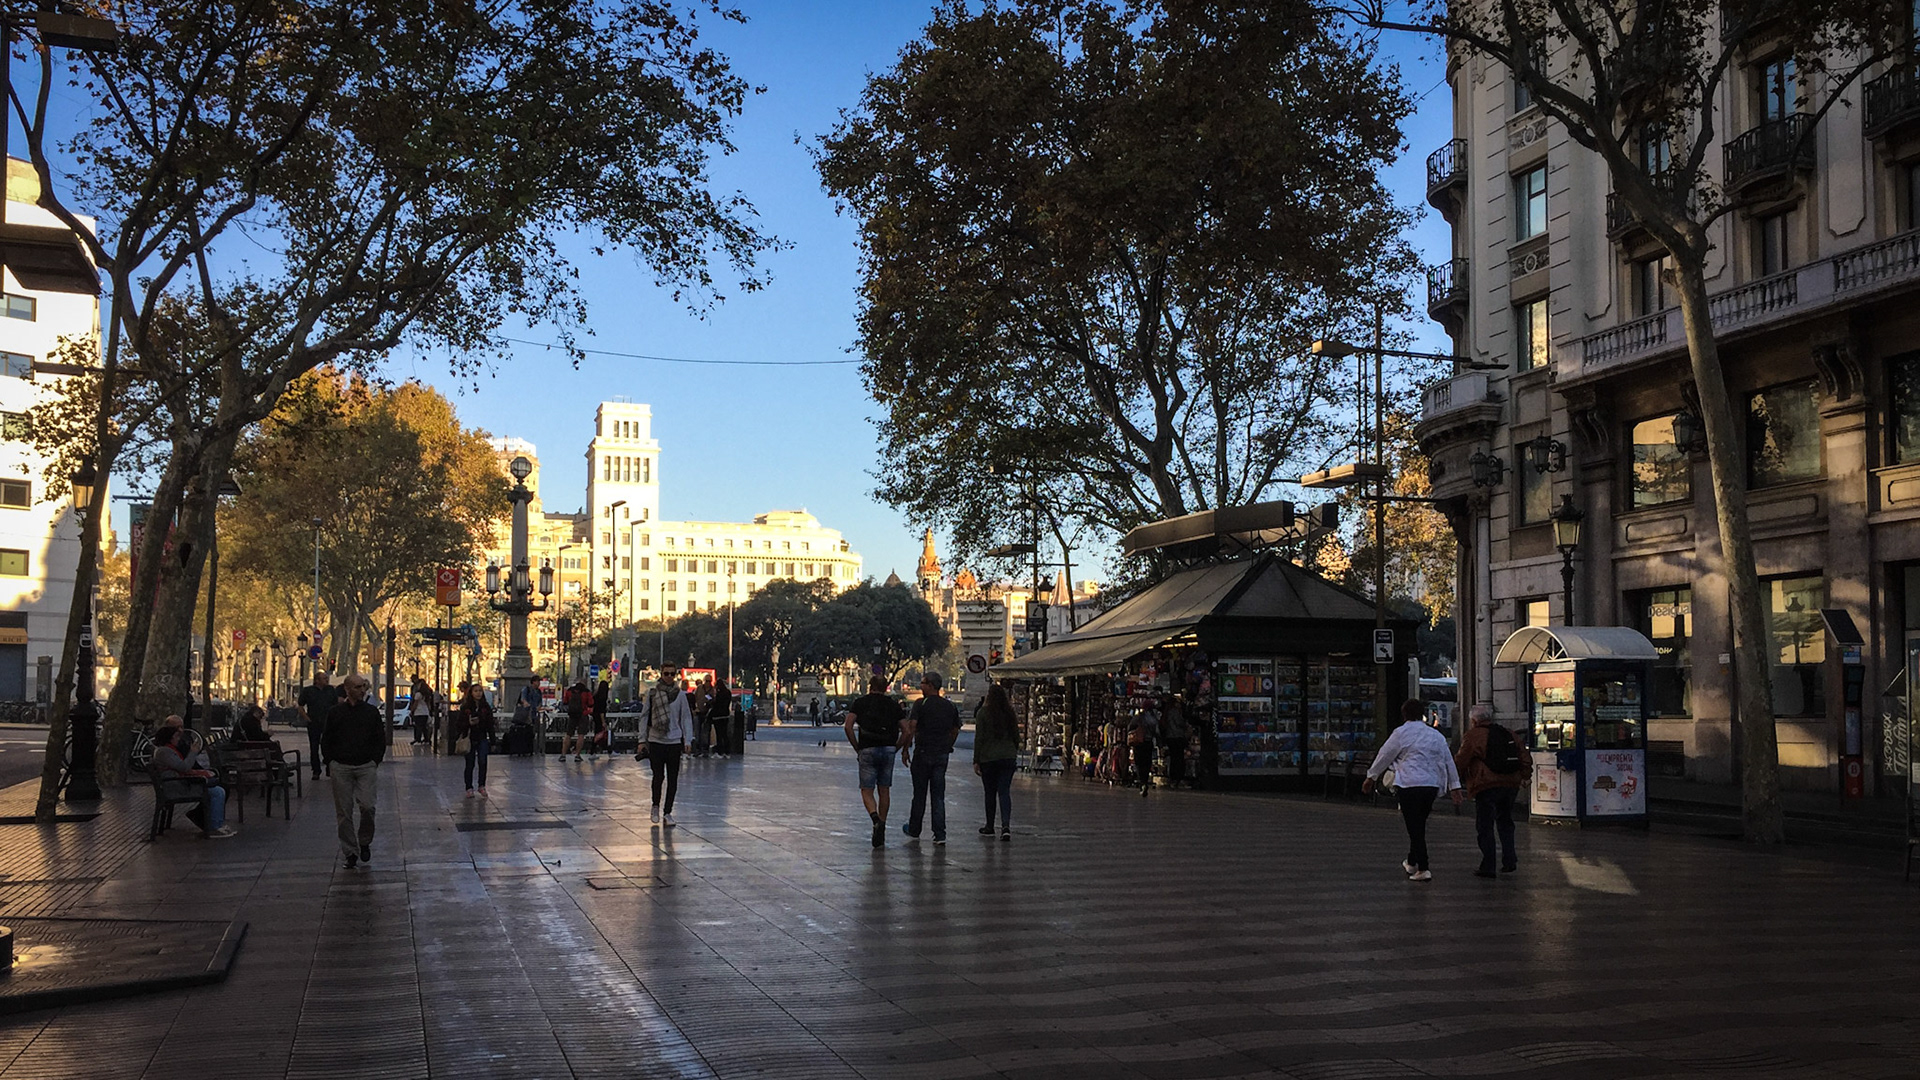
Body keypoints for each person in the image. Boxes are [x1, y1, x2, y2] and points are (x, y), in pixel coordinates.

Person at [1363, 699, 1464, 882]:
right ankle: (1411, 861)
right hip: (1431, 785)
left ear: (1404, 715)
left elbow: (1384, 755)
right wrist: (1455, 787)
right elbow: (1448, 761)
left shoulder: (1400, 734)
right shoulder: (1436, 736)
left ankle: (1423, 867)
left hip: (1409, 784)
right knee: (1419, 823)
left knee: (1414, 826)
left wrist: (1372, 777)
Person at [1454, 704, 1532, 877]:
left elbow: (1461, 760)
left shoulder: (1473, 736)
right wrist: (1525, 775)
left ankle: (1488, 865)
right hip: (1510, 784)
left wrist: (1453, 782)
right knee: (1505, 821)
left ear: (1474, 720)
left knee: (1485, 825)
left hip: (1486, 785)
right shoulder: (1508, 733)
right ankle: (1509, 859)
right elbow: (1524, 755)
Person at [321, 673, 387, 868]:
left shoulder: (371, 712)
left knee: (368, 806)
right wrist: (330, 760)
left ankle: (364, 840)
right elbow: (327, 738)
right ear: (347, 689)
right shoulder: (335, 712)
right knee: (344, 811)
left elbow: (379, 738)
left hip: (366, 765)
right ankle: (350, 851)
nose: (362, 690)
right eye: (357, 687)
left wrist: (376, 760)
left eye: (363, 687)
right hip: (341, 766)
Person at [844, 675, 905, 848]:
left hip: (867, 749)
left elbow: (848, 726)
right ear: (886, 687)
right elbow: (906, 730)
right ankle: (883, 824)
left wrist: (857, 747)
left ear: (870, 686)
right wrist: (896, 748)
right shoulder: (893, 705)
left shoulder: (860, 703)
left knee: (866, 790)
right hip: (888, 749)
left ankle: (875, 818)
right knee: (884, 789)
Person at [900, 671, 961, 845]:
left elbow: (911, 727)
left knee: (919, 794)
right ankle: (939, 833)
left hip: (923, 752)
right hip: (941, 754)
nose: (921, 686)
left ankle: (914, 828)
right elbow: (955, 729)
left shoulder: (921, 704)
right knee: (938, 795)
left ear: (931, 685)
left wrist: (906, 749)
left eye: (923, 683)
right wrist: (949, 744)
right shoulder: (950, 706)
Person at [152, 721, 234, 838]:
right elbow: (184, 767)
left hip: (177, 784)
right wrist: (193, 753)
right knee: (218, 792)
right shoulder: (164, 752)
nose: (178, 739)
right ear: (169, 738)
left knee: (218, 789)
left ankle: (213, 823)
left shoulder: (167, 750)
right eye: (176, 737)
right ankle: (214, 827)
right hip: (177, 788)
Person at [639, 668, 693, 825]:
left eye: (672, 674)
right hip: (656, 740)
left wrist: (687, 740)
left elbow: (686, 718)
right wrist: (642, 740)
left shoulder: (681, 696)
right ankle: (655, 805)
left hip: (674, 741)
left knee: (673, 779)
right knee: (658, 776)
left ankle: (667, 812)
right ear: (661, 675)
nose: (669, 677)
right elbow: (644, 717)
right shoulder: (652, 694)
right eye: (666, 674)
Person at [972, 684, 1020, 841]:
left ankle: (990, 826)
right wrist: (1013, 751)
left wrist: (976, 760)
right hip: (1008, 757)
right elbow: (1016, 736)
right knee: (1004, 792)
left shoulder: (983, 713)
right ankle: (1005, 826)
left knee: (990, 793)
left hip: (989, 758)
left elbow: (979, 738)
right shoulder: (1010, 713)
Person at [297, 670, 338, 780]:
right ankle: (316, 770)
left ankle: (329, 767)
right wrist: (306, 718)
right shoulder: (308, 691)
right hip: (314, 721)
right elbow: (300, 705)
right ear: (317, 680)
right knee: (314, 747)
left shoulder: (331, 690)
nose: (327, 680)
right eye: (324, 678)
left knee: (329, 745)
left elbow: (336, 704)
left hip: (328, 722)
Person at [461, 682, 496, 798]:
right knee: (470, 764)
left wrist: (493, 740)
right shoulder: (466, 707)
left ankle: (481, 785)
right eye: (475, 691)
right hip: (470, 738)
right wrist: (468, 723)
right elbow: (459, 724)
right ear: (471, 693)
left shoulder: (485, 707)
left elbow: (491, 725)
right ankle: (469, 787)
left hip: (482, 737)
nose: (478, 693)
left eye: (480, 691)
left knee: (483, 762)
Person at [1129, 698, 1159, 796]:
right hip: (1149, 743)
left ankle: (1142, 782)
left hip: (1139, 743)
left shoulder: (1139, 717)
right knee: (1147, 763)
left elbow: (1130, 727)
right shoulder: (1154, 719)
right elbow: (1157, 732)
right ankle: (1145, 781)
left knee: (1139, 763)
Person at [1161, 694, 1190, 789]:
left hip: (1170, 737)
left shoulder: (1167, 712)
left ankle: (1173, 778)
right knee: (1179, 758)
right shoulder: (1175, 712)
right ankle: (1178, 777)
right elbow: (1179, 722)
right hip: (1177, 736)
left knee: (1174, 757)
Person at [561, 679, 592, 761]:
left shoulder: (570, 691)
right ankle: (577, 755)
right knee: (581, 735)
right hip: (583, 715)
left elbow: (565, 702)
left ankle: (563, 755)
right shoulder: (586, 692)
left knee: (568, 735)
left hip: (572, 715)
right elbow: (591, 703)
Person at [708, 679, 734, 758]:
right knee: (725, 734)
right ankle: (727, 751)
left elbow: (716, 704)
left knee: (719, 734)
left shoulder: (719, 694)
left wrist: (711, 700)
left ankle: (720, 752)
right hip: (725, 715)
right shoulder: (728, 693)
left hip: (718, 716)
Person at [409, 676, 436, 745]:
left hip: (418, 712)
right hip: (425, 712)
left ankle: (418, 739)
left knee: (418, 726)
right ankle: (427, 739)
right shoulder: (427, 695)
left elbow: (415, 703)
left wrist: (412, 710)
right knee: (424, 727)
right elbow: (428, 705)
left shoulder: (418, 694)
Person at [591, 674, 611, 758]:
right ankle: (593, 751)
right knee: (600, 735)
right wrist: (603, 722)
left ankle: (595, 751)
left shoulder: (595, 696)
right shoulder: (603, 699)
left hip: (595, 717)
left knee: (598, 734)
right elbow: (601, 711)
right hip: (600, 718)